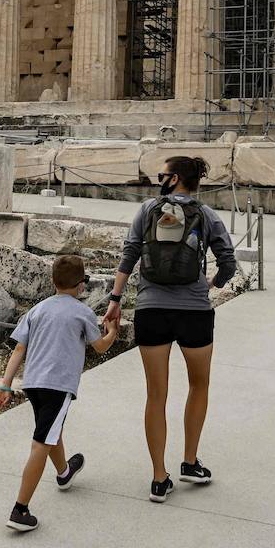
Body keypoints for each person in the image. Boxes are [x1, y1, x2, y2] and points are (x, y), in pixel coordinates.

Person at [104, 155, 237, 503]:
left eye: (162, 174)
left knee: (155, 395)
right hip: (194, 311)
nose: (157, 178)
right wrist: (210, 284)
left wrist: (115, 300)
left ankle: (159, 478)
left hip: (151, 309)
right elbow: (229, 261)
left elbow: (130, 253)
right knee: (199, 385)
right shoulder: (207, 215)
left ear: (175, 178)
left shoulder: (147, 209)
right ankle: (190, 462)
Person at [0, 254, 119, 532]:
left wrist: (5, 384)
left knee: (50, 430)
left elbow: (19, 349)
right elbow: (100, 347)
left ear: (52, 282)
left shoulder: (36, 311)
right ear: (82, 285)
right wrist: (112, 331)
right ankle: (20, 509)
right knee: (41, 442)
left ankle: (64, 473)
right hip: (58, 386)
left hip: (33, 384)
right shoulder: (83, 312)